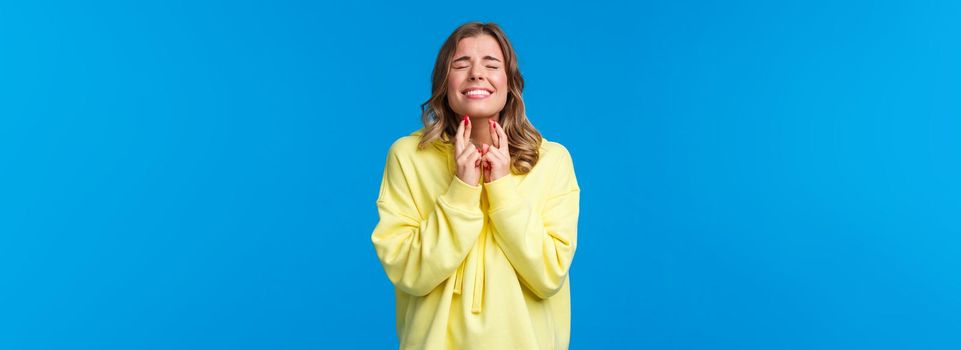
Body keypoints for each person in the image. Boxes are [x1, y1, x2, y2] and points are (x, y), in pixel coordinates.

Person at [371, 21, 580, 350]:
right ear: (444, 81)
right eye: (461, 64)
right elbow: (409, 271)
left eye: (492, 64)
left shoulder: (552, 160)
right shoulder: (408, 157)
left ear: (510, 83)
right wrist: (461, 191)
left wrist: (501, 189)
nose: (476, 74)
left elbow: (548, 275)